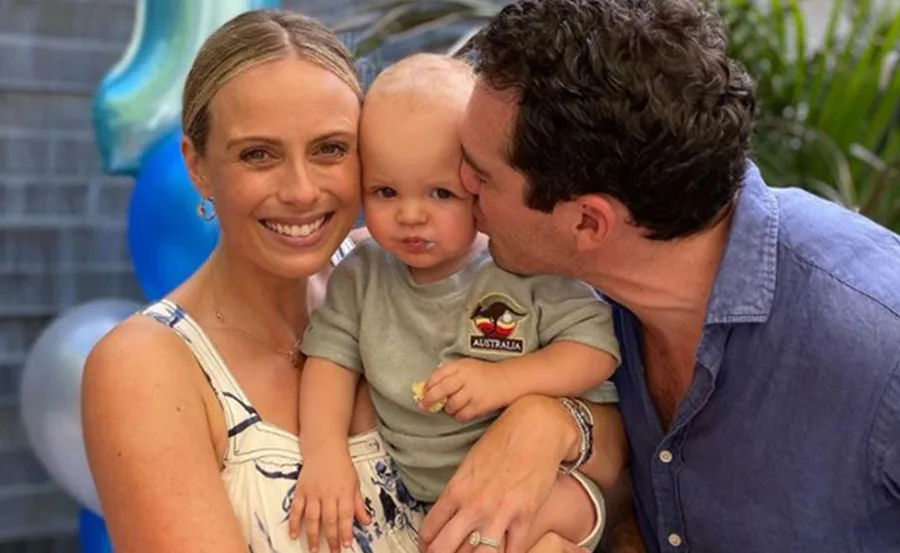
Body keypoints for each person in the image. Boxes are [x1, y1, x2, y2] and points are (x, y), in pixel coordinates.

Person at [81, 9, 629, 553]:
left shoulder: (401, 267)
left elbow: (616, 452)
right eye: (258, 154)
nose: (300, 190)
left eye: (330, 150)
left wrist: (547, 420)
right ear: (197, 165)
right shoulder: (146, 365)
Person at [439, 0, 900, 552]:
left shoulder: (880, 341)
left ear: (589, 221)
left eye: (482, 175)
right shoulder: (581, 294)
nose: (459, 183)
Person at [289, 53, 622, 553]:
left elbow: (596, 349)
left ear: (478, 188)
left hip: (549, 488)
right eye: (384, 191)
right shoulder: (362, 274)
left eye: (440, 193)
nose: (410, 216)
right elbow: (329, 360)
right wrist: (324, 454)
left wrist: (504, 379)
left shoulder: (521, 267)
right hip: (428, 498)